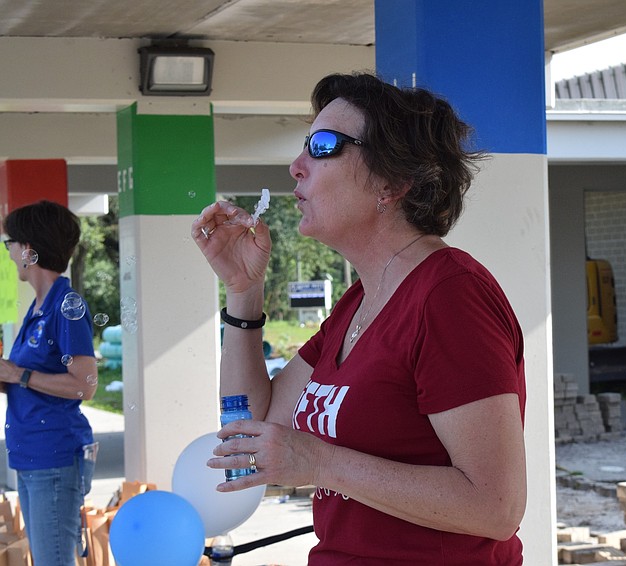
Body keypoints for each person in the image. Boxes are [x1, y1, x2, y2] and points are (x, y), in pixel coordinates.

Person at [192, 72, 527, 564]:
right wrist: (243, 292)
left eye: (323, 146)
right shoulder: (358, 302)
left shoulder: (450, 297)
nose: (296, 167)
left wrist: (317, 462)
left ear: (392, 183)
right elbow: (252, 426)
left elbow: (496, 506)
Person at [0, 200, 99, 566]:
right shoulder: (40, 306)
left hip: (54, 458)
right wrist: (9, 377)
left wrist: (19, 374)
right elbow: (28, 380)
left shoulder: (65, 304)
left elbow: (85, 384)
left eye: (9, 243)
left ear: (29, 249)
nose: (8, 252)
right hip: (32, 457)